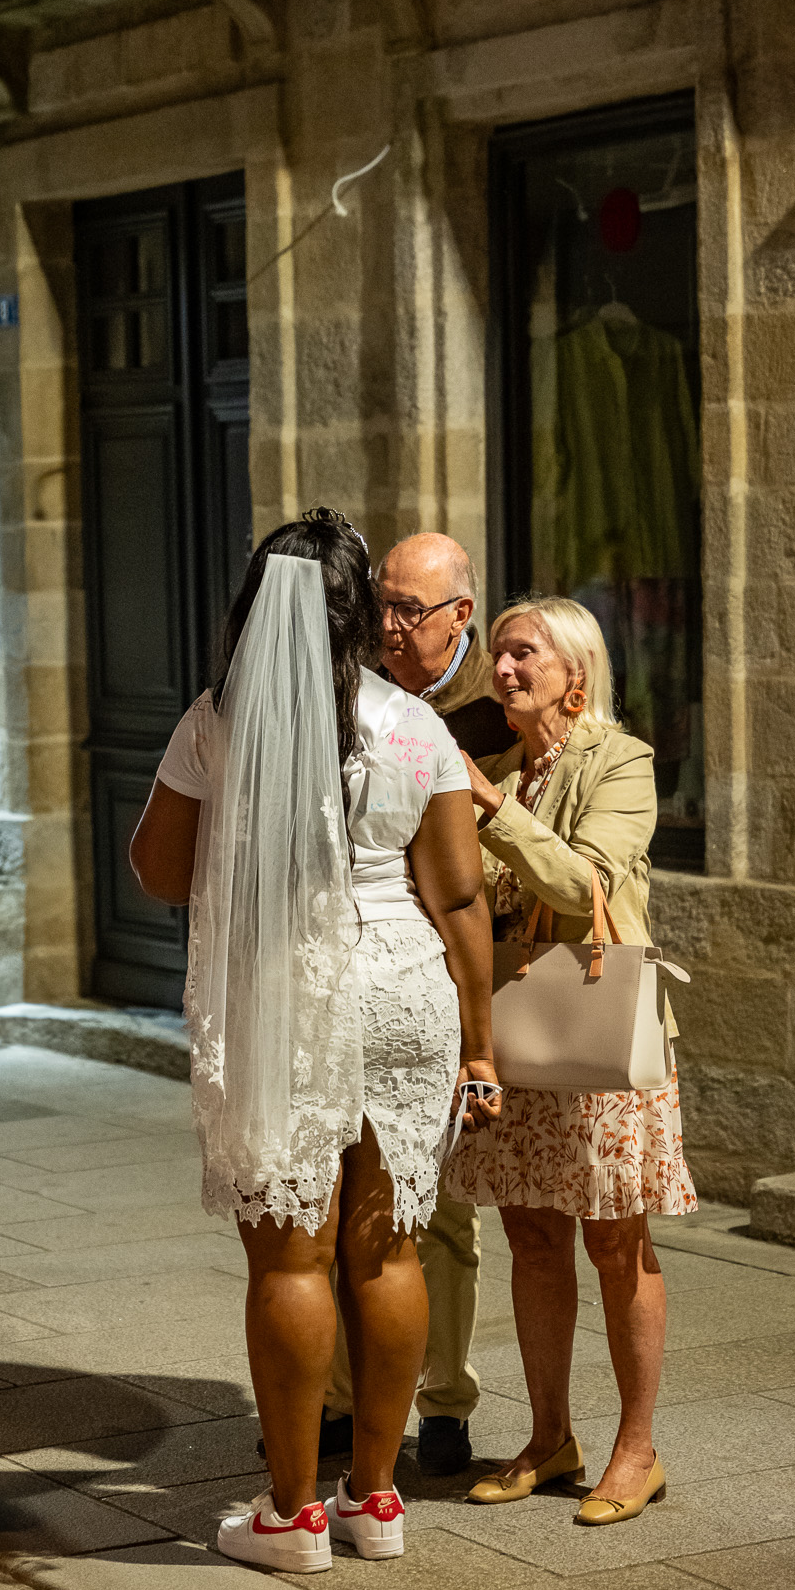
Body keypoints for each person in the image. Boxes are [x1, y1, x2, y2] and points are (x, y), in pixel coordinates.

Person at [130, 510, 499, 1572]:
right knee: (385, 1246)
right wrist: (478, 1040)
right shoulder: (414, 728)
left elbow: (158, 869)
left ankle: (291, 1514)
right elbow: (459, 892)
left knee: (291, 1251)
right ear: (358, 613)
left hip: (284, 989)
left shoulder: (219, 718)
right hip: (399, 988)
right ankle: (375, 1499)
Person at [445, 595, 695, 1527]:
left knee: (614, 1240)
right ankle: (549, 1435)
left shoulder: (620, 762)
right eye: (498, 656)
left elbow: (581, 880)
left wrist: (485, 805)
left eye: (522, 655)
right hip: (512, 1027)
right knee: (531, 1235)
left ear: (573, 676)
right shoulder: (502, 763)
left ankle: (637, 1450)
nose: (502, 670)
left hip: (596, 1027)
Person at [323, 533, 517, 1479]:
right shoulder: (342, 692)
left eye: (411, 611)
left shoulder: (487, 716)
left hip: (443, 990)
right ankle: (337, 1398)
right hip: (347, 980)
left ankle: (442, 1403)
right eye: (382, 605)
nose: (390, 627)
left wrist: (477, 1043)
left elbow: (463, 890)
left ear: (459, 617)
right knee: (327, 1209)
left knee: (433, 1215)